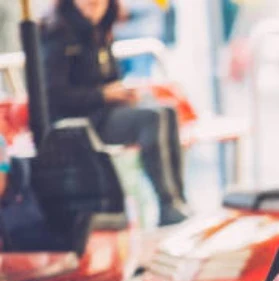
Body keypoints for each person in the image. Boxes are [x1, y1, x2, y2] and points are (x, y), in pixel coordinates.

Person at [40, 0, 190, 227]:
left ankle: (178, 200)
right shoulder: (58, 33)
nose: (95, 8)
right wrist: (102, 94)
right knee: (152, 119)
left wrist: (122, 93)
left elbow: (109, 78)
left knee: (166, 111)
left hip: (107, 111)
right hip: (82, 120)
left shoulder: (100, 32)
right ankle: (167, 204)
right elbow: (54, 96)